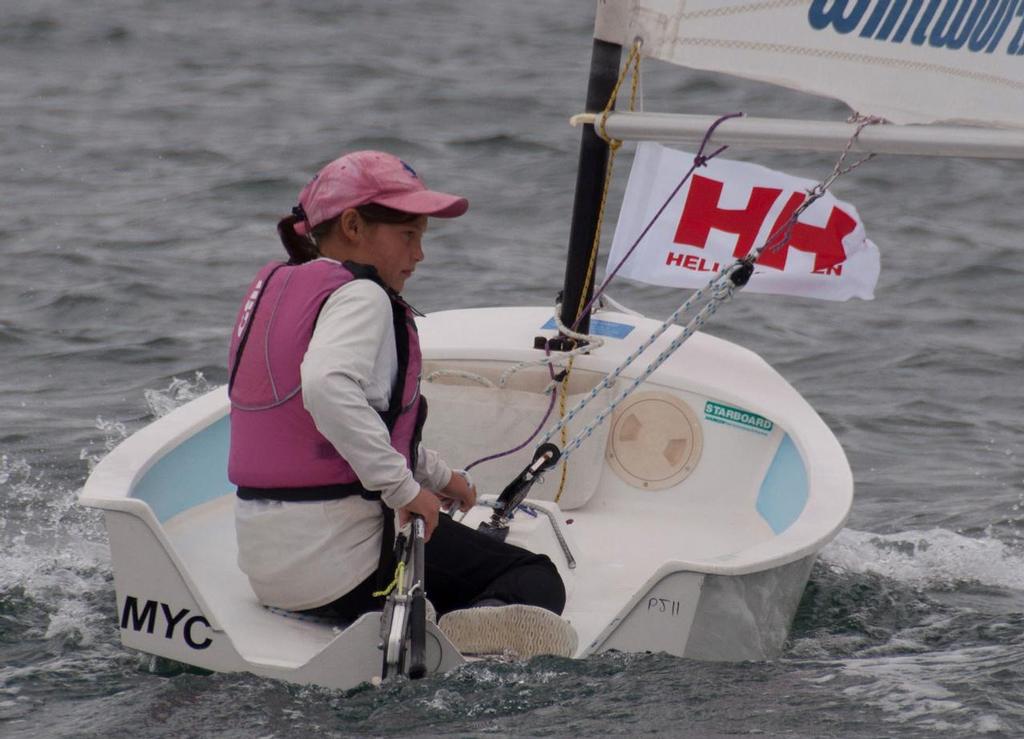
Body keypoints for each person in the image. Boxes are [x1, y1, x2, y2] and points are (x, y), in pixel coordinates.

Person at [226, 150, 575, 658]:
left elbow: (346, 425)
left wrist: (437, 478)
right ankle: (443, 635)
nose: (419, 255)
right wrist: (403, 488)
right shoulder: (361, 298)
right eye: (408, 236)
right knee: (535, 578)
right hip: (344, 573)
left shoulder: (280, 291)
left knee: (454, 539)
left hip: (270, 571)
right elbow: (327, 388)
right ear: (352, 226)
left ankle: (433, 607)